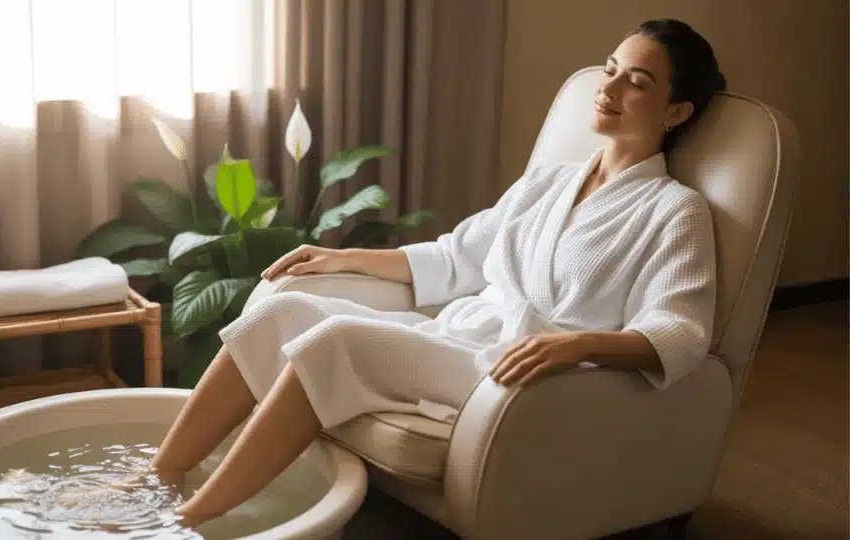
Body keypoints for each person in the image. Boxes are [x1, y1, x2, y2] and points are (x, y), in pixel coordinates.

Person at [149, 18, 727, 525]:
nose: (611, 88)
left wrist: (577, 346)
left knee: (334, 340)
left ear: (677, 112)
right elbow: (457, 257)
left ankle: (186, 522)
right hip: (461, 334)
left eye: (638, 82)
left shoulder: (675, 211)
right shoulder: (550, 182)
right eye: (611, 69)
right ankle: (154, 482)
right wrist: (339, 257)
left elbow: (682, 330)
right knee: (283, 311)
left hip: (519, 374)